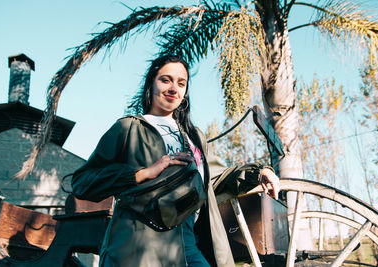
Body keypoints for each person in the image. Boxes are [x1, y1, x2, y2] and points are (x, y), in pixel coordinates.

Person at [71, 54, 280, 267]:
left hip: (188, 240)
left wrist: (260, 172)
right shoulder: (129, 129)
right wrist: (143, 174)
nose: (174, 88)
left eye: (181, 83)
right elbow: (82, 182)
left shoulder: (195, 136)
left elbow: (215, 178)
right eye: (165, 80)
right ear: (151, 84)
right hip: (140, 242)